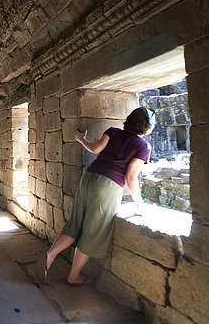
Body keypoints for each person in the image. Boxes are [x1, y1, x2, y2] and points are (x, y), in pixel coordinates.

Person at [36, 106, 155, 286]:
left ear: (129, 119)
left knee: (74, 224)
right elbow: (130, 177)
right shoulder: (143, 146)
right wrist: (139, 204)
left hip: (89, 178)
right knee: (93, 232)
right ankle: (73, 276)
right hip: (108, 186)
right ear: (147, 127)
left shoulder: (113, 132)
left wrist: (82, 139)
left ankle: (49, 255)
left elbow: (94, 149)